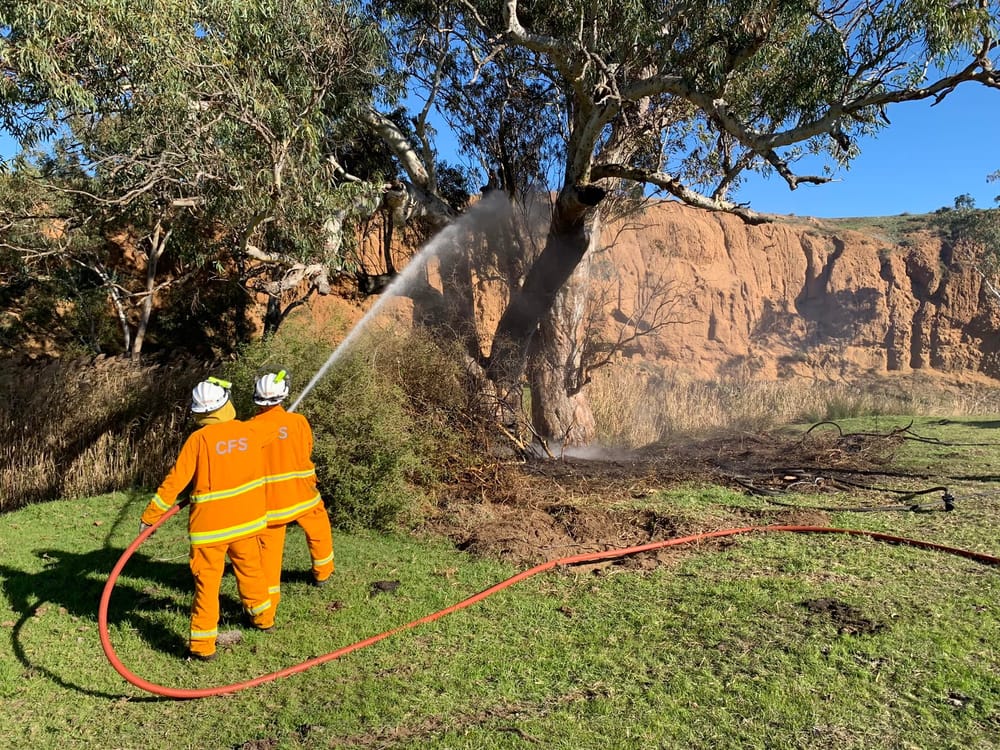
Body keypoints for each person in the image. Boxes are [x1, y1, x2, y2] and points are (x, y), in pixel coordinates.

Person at [138, 376, 277, 661]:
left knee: (207, 585)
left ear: (199, 411)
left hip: (210, 531)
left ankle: (202, 647)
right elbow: (272, 430)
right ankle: (263, 618)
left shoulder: (198, 440)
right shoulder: (250, 432)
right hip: (246, 523)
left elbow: (174, 482)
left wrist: (150, 517)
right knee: (251, 571)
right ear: (226, 404)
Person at [250, 370, 334, 615]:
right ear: (283, 396)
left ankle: (266, 607)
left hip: (269, 501)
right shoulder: (298, 422)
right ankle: (323, 572)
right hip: (302, 493)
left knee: (268, 551)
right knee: (319, 528)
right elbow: (307, 448)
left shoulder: (249, 429)